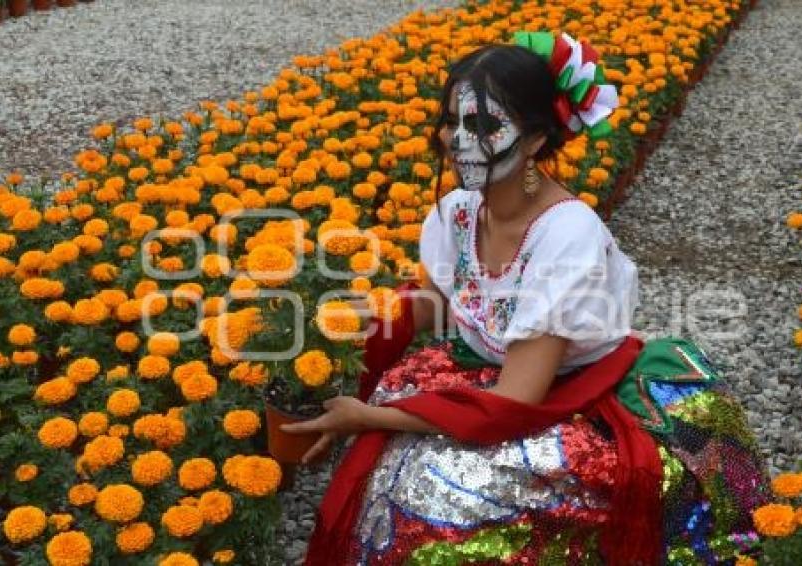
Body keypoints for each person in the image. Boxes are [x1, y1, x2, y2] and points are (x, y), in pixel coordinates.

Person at [281, 31, 772, 566]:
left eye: (486, 126)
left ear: (536, 140)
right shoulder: (459, 211)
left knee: (439, 494)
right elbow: (444, 303)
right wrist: (359, 323)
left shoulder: (565, 236)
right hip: (494, 372)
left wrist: (372, 417)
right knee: (387, 477)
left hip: (563, 393)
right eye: (453, 121)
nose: (459, 140)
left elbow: (515, 401)